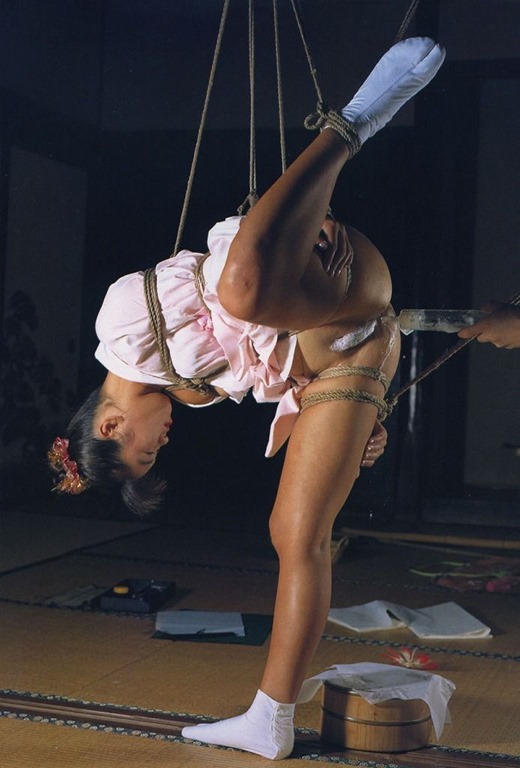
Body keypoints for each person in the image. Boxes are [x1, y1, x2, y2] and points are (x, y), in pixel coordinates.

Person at [48, 36, 445, 760]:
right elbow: (279, 372)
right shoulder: (193, 393)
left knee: (239, 290)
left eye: (145, 451)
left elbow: (233, 274)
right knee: (294, 533)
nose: (162, 442)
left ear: (110, 424)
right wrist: (361, 422)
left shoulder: (121, 322)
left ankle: (350, 124)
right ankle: (271, 718)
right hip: (357, 346)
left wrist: (295, 247)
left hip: (331, 270)